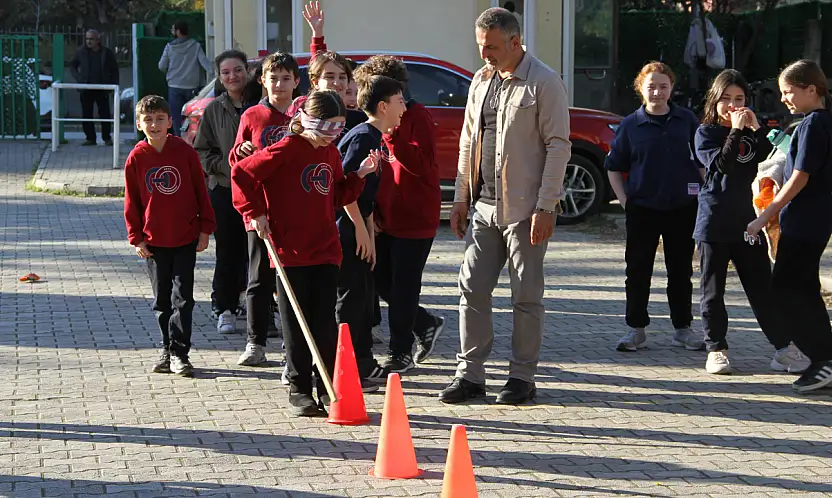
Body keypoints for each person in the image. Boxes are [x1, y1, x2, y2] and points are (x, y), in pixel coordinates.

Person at [439, 8, 571, 405]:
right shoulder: (481, 81)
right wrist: (461, 197)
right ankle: (470, 374)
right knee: (472, 289)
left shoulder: (544, 82)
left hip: (526, 211)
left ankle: (521, 378)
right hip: (483, 206)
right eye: (481, 47)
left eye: (492, 48)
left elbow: (558, 146)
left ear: (516, 42)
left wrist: (546, 206)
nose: (485, 56)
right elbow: (467, 142)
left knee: (525, 296)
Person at [231, 89, 380, 416]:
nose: (333, 135)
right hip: (290, 251)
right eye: (328, 127)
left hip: (325, 249)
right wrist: (255, 212)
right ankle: (299, 389)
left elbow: (338, 192)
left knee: (325, 323)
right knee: (296, 325)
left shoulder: (328, 154)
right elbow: (242, 173)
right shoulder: (285, 149)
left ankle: (326, 386)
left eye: (338, 128)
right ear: (309, 122)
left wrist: (361, 175)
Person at [694, 69, 809, 375]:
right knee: (713, 290)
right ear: (715, 100)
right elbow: (722, 165)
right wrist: (734, 130)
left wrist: (756, 129)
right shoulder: (705, 132)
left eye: (740, 99)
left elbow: (767, 159)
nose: (734, 105)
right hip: (714, 222)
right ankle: (716, 349)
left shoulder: (749, 132)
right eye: (727, 99)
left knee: (762, 288)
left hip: (749, 222)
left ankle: (784, 349)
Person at [605, 61, 706, 354]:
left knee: (680, 270)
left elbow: (701, 163)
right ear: (641, 88)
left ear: (671, 88)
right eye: (652, 86)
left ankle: (682, 328)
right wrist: (625, 202)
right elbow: (614, 167)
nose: (658, 92)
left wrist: (704, 196)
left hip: (682, 208)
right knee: (638, 270)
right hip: (643, 209)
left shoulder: (687, 120)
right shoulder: (630, 125)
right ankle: (636, 329)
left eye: (663, 86)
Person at [354, 56, 446, 372]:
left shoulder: (416, 116)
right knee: (380, 281)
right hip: (385, 216)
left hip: (415, 217)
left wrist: (392, 135)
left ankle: (400, 352)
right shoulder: (370, 124)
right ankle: (424, 323)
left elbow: (421, 165)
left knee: (404, 286)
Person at [747, 59, 832, 393]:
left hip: (805, 222)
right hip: (812, 221)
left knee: (785, 288)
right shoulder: (814, 123)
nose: (784, 98)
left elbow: (800, 176)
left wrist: (765, 215)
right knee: (803, 289)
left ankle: (824, 358)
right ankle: (823, 359)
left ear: (812, 90)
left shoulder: (813, 124)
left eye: (789, 92)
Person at [123, 95, 216, 378]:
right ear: (139, 124)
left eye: (160, 119)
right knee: (162, 299)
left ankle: (180, 352)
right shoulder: (137, 157)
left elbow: (201, 190)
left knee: (182, 297)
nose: (154, 124)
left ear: (170, 122)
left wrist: (205, 228)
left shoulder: (184, 152)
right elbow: (132, 201)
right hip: (154, 241)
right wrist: (136, 237)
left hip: (185, 236)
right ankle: (165, 347)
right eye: (148, 120)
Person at [229, 52, 300, 366]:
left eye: (286, 78)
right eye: (274, 78)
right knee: (258, 278)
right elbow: (236, 162)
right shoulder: (252, 116)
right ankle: (255, 342)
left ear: (297, 82)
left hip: (295, 210)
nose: (280, 85)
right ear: (262, 81)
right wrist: (240, 152)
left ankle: (292, 345)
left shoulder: (303, 116)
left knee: (292, 279)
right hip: (259, 210)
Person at [336, 75, 406, 387]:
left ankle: (363, 360)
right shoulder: (363, 137)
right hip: (344, 227)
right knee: (351, 299)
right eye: (399, 101)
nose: (404, 108)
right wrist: (360, 232)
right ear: (382, 106)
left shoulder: (375, 137)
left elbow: (367, 194)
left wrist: (370, 233)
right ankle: (350, 365)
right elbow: (344, 187)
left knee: (364, 297)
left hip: (359, 225)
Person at [193, 50, 255, 335]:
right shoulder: (214, 109)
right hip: (226, 190)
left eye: (238, 70)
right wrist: (226, 166)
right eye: (226, 72)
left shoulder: (261, 104)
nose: (233, 76)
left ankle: (259, 307)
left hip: (260, 192)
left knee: (257, 253)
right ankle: (224, 307)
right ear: (219, 77)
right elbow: (202, 150)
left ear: (248, 71)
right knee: (228, 252)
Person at [158, 20, 213, 137]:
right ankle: (193, 140)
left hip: (174, 86)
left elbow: (161, 66)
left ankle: (178, 141)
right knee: (192, 117)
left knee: (176, 118)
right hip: (192, 86)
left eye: (173, 29)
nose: (172, 32)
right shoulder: (195, 46)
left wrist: (171, 72)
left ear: (178, 32)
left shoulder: (169, 47)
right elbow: (206, 64)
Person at [70, 29, 119, 146]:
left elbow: (114, 69)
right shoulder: (81, 52)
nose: (88, 41)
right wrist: (79, 79)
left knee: (105, 114)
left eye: (91, 39)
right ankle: (90, 138)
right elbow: (73, 66)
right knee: (87, 113)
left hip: (102, 89)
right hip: (86, 88)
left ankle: (107, 137)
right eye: (87, 38)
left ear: (98, 40)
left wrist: (113, 85)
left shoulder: (106, 53)